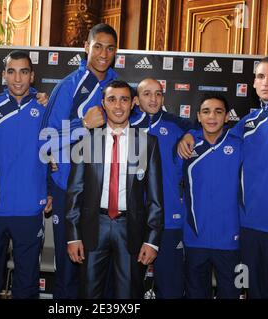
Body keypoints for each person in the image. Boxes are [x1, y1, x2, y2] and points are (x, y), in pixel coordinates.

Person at [178, 56, 268, 299]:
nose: (266, 81)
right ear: (253, 83)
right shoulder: (247, 124)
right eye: (261, 76)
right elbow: (214, 133)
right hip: (250, 235)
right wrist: (190, 133)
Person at [39, 23, 118, 298]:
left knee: (103, 272)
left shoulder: (119, 88)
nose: (103, 54)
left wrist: (188, 133)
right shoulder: (68, 87)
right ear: (86, 47)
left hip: (107, 192)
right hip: (69, 190)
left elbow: (144, 127)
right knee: (69, 271)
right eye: (97, 46)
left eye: (110, 48)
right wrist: (82, 124)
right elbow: (46, 140)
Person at [65, 80, 164, 298]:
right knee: (88, 293)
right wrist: (73, 236)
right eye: (112, 99)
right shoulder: (87, 142)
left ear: (133, 104)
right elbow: (75, 193)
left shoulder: (148, 143)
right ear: (103, 103)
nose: (118, 106)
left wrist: (152, 239)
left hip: (130, 229)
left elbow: (156, 198)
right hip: (93, 227)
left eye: (124, 99)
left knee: (128, 295)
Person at [0, 50, 52, 299]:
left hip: (29, 210)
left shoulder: (45, 109)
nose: (17, 78)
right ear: (3, 75)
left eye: (24, 72)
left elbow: (57, 155)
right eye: (11, 71)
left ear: (32, 76)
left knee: (27, 284)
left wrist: (50, 191)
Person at [130, 78, 190, 298]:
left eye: (158, 94)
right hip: (133, 221)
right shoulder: (125, 125)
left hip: (169, 220)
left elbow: (204, 128)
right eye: (147, 94)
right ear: (136, 100)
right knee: (128, 287)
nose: (153, 99)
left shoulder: (177, 127)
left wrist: (192, 133)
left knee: (171, 287)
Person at [182, 93, 242, 299]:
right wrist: (189, 134)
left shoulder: (240, 145)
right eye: (206, 111)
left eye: (218, 111)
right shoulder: (186, 147)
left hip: (232, 241)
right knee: (195, 294)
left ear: (226, 117)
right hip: (195, 239)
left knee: (232, 293)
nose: (212, 117)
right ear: (198, 116)